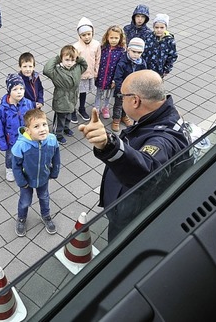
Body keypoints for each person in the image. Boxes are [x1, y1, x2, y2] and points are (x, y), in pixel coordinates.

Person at [79, 70, 191, 241]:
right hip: (141, 208)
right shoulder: (165, 116)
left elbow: (145, 171)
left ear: (135, 101)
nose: (120, 99)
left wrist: (108, 144)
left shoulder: (163, 139)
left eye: (122, 95)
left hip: (131, 217)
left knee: (117, 251)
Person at [11, 108, 61, 237]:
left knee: (44, 197)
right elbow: (16, 166)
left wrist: (54, 172)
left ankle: (46, 216)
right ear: (28, 130)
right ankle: (21, 218)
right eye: (36, 126)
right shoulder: (21, 146)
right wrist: (22, 182)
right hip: (27, 180)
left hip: (43, 177)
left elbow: (56, 157)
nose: (42, 129)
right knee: (25, 201)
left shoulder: (52, 140)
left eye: (44, 124)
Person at [43, 45, 88, 145]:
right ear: (61, 59)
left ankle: (66, 128)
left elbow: (85, 65)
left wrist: (77, 57)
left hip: (72, 99)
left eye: (72, 60)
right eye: (66, 59)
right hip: (61, 99)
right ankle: (57, 134)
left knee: (69, 115)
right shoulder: (56, 71)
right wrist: (57, 58)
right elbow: (46, 70)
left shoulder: (77, 68)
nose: (69, 63)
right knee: (60, 118)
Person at [0, 74, 35, 182]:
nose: (19, 92)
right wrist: (2, 143)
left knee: (25, 153)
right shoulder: (3, 108)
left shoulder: (28, 103)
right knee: (11, 156)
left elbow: (34, 119)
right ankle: (10, 169)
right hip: (11, 140)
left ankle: (23, 167)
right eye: (15, 89)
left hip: (26, 138)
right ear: (9, 91)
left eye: (21, 88)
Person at [111, 37, 147, 131]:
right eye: (134, 51)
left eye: (139, 53)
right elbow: (118, 77)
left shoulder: (142, 63)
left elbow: (142, 76)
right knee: (118, 105)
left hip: (133, 90)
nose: (136, 55)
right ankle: (116, 119)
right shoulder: (123, 62)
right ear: (128, 49)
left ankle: (124, 116)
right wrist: (121, 90)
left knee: (128, 105)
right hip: (122, 89)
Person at [94, 25, 126, 120]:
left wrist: (115, 81)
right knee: (99, 93)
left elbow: (120, 68)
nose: (113, 40)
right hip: (101, 76)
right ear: (107, 37)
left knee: (108, 95)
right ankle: (96, 108)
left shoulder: (121, 52)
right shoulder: (103, 48)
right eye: (111, 37)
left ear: (120, 38)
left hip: (112, 78)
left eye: (116, 38)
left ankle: (105, 108)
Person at [72, 17, 101, 123]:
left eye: (89, 34)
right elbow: (73, 62)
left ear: (92, 32)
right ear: (79, 35)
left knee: (83, 92)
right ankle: (72, 111)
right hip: (79, 75)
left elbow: (98, 58)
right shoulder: (76, 46)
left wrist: (96, 71)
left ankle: (81, 108)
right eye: (83, 35)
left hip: (89, 74)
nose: (87, 37)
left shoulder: (96, 44)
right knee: (75, 93)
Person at [143, 13, 177, 78]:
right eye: (156, 27)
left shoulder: (169, 40)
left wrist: (166, 69)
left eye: (162, 27)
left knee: (156, 86)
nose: (159, 30)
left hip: (159, 71)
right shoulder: (148, 36)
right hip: (146, 68)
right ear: (153, 27)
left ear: (166, 28)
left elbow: (173, 56)